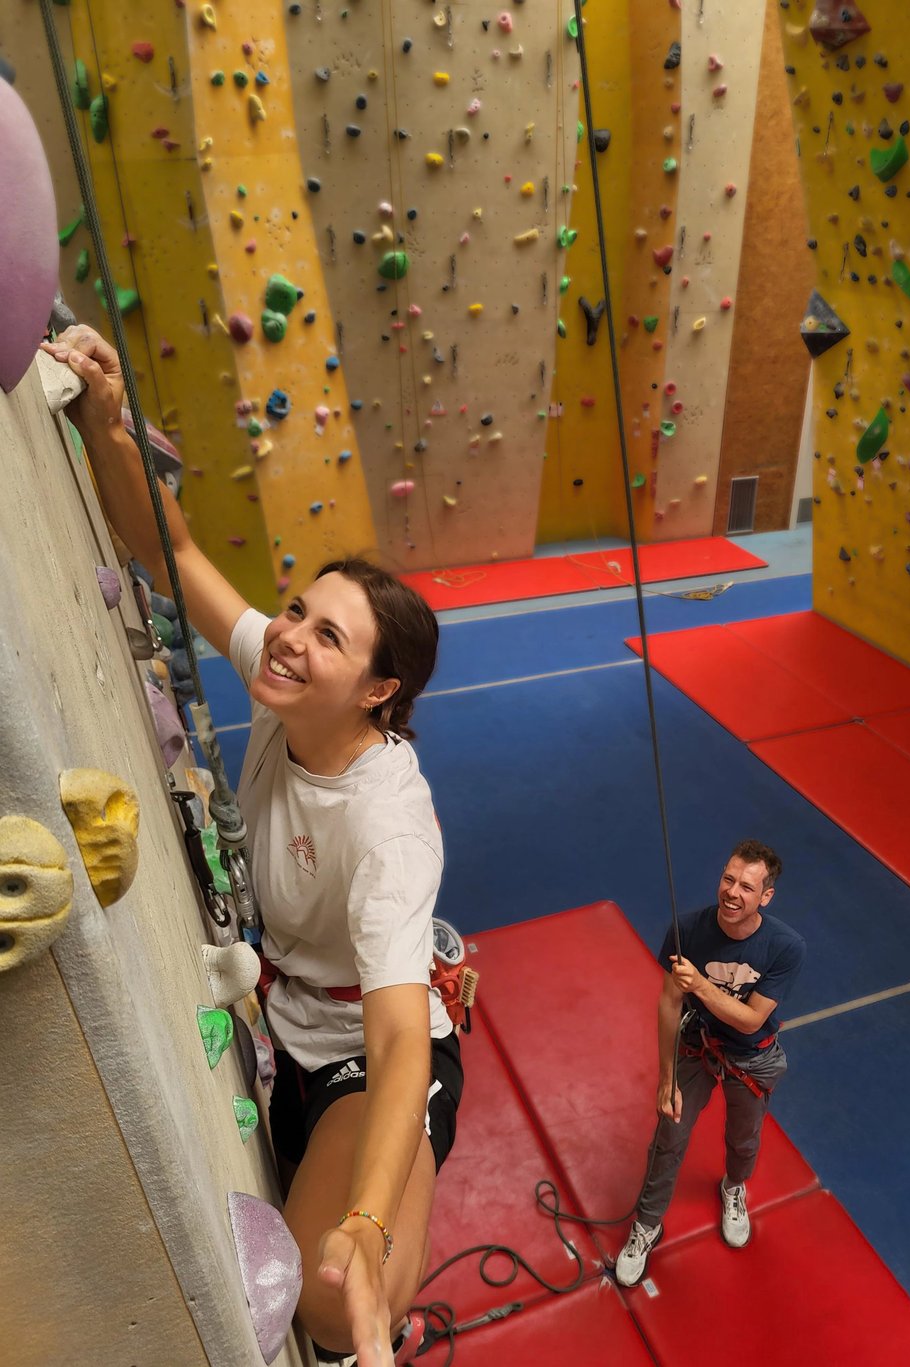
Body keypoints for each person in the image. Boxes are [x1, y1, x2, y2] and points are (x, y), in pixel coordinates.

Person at [41, 326, 461, 1367]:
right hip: (292, 1016)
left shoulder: (389, 824)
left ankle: (378, 1282)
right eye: (299, 610)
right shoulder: (287, 690)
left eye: (327, 637)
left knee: (334, 1300)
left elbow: (399, 1042)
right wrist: (105, 421)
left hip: (365, 1044)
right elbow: (174, 553)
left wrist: (367, 1220)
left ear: (378, 691)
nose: (288, 636)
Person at [615, 839, 805, 1286]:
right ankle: (647, 1224)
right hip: (697, 1043)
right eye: (728, 879)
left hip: (751, 1052)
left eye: (746, 887)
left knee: (744, 1139)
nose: (732, 892)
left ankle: (733, 1187)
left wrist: (700, 985)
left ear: (766, 896)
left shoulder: (785, 946)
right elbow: (668, 1004)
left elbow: (751, 1019)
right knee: (669, 1135)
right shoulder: (687, 930)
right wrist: (666, 1079)